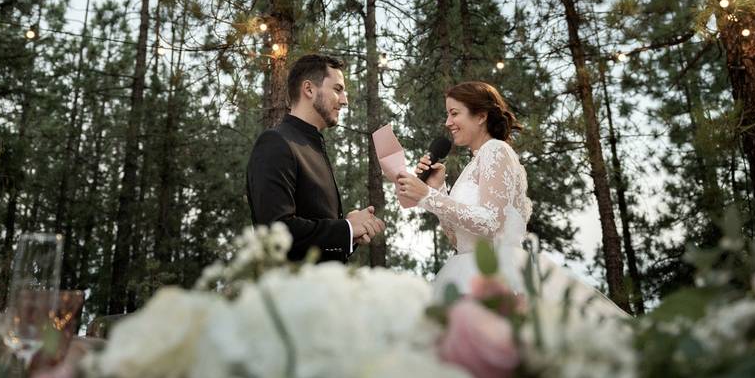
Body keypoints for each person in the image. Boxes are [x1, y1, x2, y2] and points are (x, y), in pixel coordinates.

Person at [396, 81, 626, 319]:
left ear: (480, 116)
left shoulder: (496, 150)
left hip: (496, 272)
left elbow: (491, 222)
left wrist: (427, 196)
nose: (448, 122)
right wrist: (438, 189)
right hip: (464, 269)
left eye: (454, 113)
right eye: (447, 114)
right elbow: (458, 239)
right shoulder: (473, 164)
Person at [247, 54, 385, 263]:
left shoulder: (315, 147)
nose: (345, 100)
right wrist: (346, 228)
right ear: (309, 89)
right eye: (338, 89)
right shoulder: (275, 142)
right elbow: (276, 232)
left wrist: (349, 232)